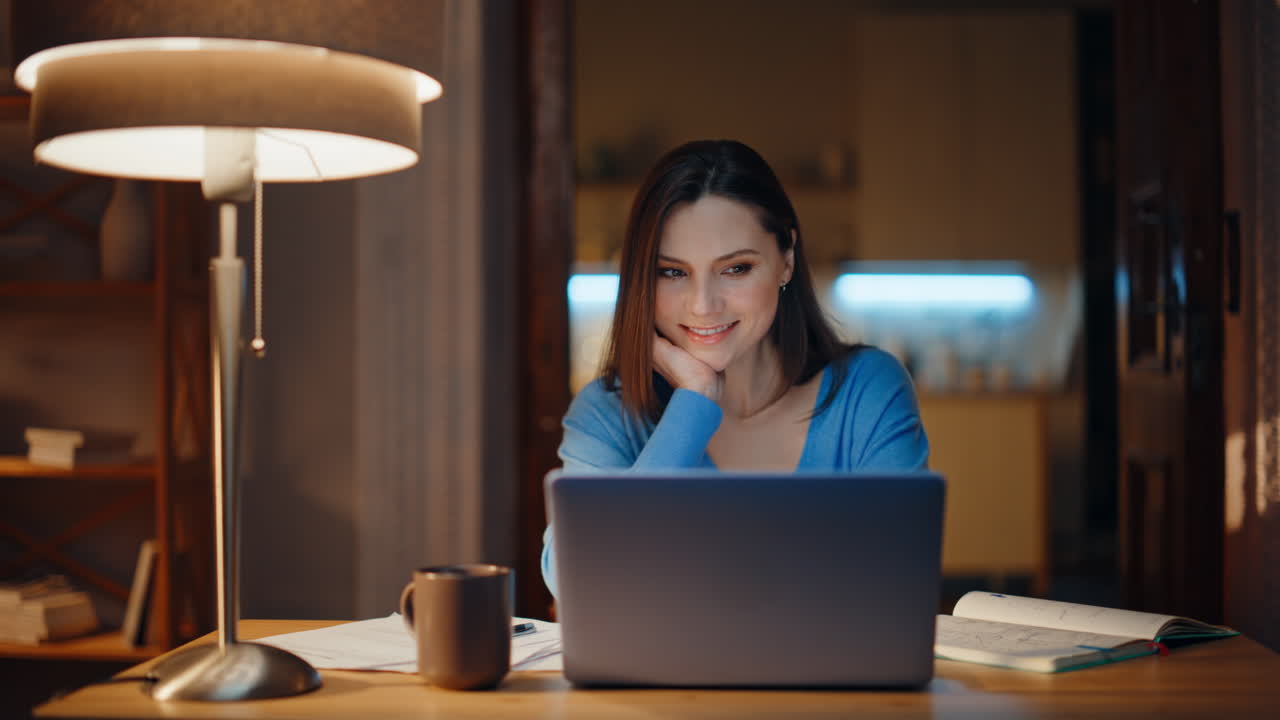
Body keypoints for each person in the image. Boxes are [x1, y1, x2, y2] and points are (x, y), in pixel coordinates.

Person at [542, 139, 928, 596]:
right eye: (672, 272)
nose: (703, 305)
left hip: (831, 669)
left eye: (736, 269)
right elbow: (577, 580)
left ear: (786, 259)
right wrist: (692, 404)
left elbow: (897, 579)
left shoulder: (868, 390)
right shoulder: (608, 413)